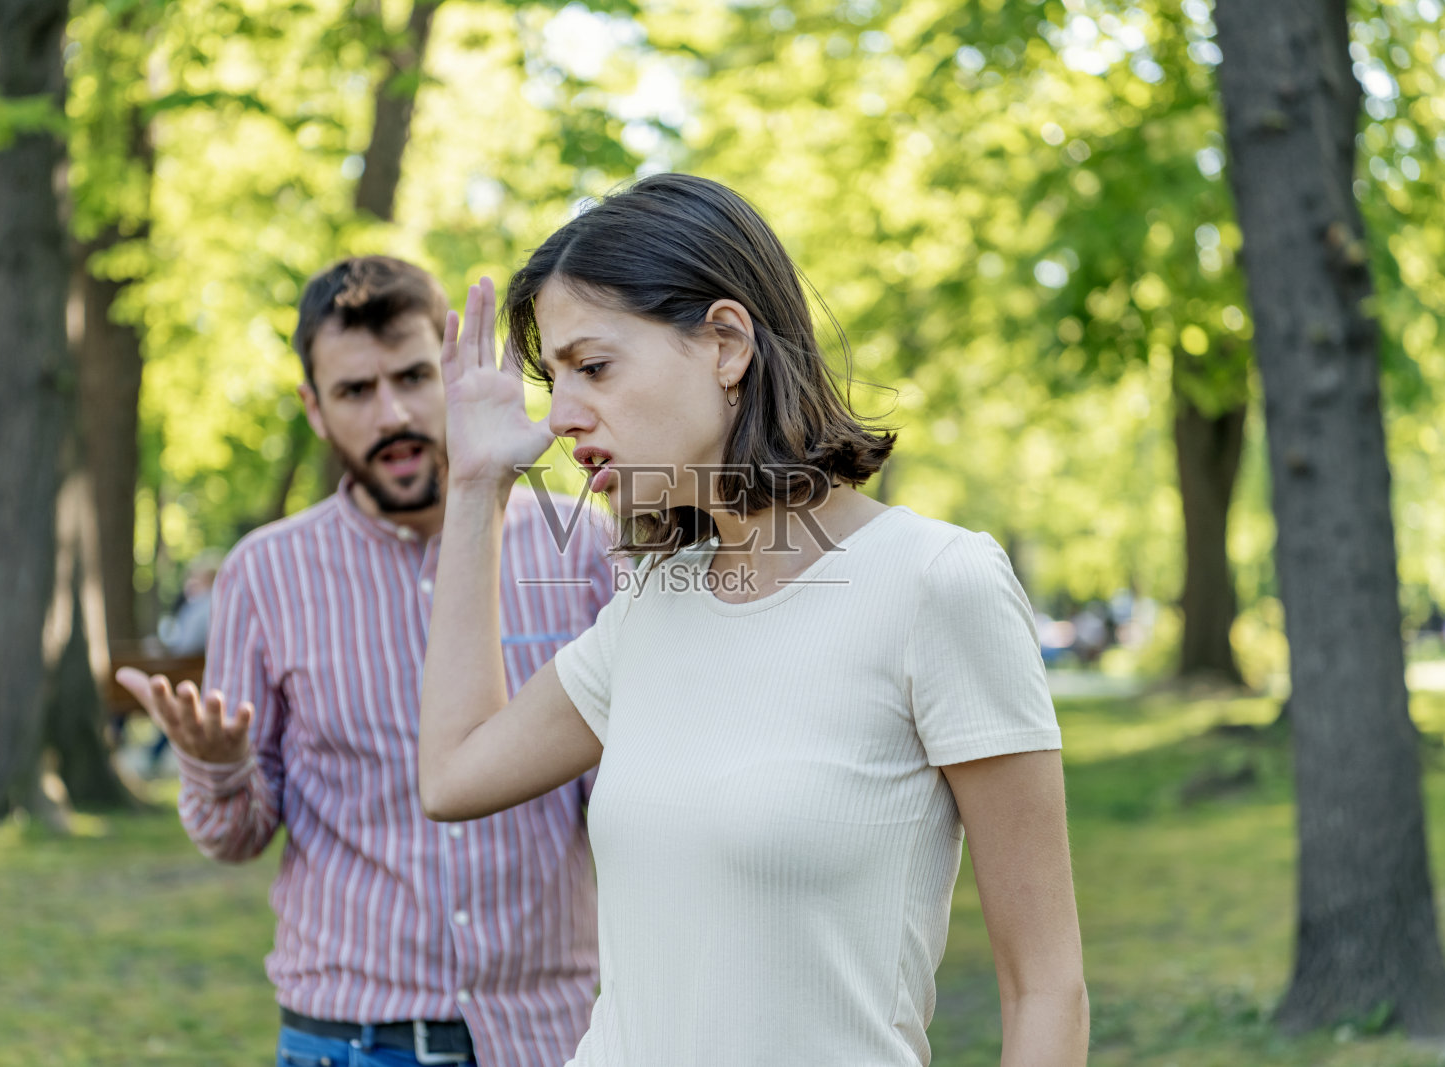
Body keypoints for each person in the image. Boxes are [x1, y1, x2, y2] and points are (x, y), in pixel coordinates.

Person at [417, 174, 1089, 1065]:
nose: (561, 419)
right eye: (555, 379)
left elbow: (1045, 986)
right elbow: (454, 775)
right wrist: (474, 488)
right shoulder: (654, 602)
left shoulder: (937, 584)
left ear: (726, 343)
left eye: (594, 366)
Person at [117, 255, 615, 1067]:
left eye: (415, 376)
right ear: (314, 409)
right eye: (355, 391)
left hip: (548, 1036)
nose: (393, 413)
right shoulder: (264, 573)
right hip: (349, 1041)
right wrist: (218, 767)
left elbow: (623, 798)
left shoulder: (581, 548)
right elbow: (237, 836)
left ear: (451, 372)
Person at [144, 553, 222, 770]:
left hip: (188, 673)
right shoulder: (220, 605)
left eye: (195, 578)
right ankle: (153, 752)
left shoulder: (201, 607)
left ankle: (151, 752)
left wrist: (163, 643)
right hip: (199, 673)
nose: (190, 583)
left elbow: (184, 646)